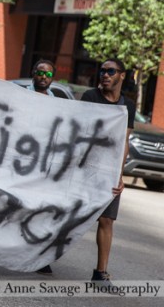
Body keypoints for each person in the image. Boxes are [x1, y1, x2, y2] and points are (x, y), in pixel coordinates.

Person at [80, 58, 134, 290]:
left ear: (122, 75)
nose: (105, 75)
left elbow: (124, 141)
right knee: (66, 215)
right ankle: (43, 258)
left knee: (107, 219)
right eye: (102, 71)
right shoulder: (90, 97)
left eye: (111, 71)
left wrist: (119, 175)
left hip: (108, 170)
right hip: (84, 166)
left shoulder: (128, 106)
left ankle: (100, 273)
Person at [25, 59, 56, 275]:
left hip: (44, 166)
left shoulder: (58, 103)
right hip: (19, 162)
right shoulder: (20, 95)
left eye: (48, 74)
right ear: (33, 74)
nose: (43, 77)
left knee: (41, 211)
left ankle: (39, 257)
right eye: (40, 73)